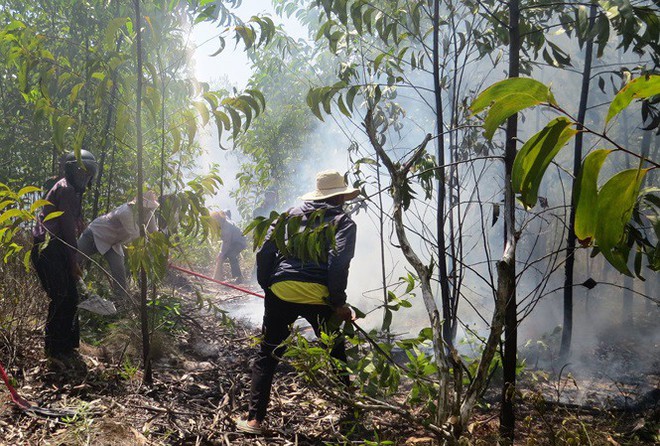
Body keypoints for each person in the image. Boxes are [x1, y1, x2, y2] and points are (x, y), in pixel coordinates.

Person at [236, 169, 358, 434]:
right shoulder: (343, 221)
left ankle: (254, 420)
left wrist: (269, 286)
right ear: (339, 198)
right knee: (335, 350)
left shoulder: (289, 215)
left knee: (267, 354)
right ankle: (350, 412)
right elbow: (338, 264)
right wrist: (339, 303)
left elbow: (266, 252)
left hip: (282, 289)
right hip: (320, 295)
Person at [31, 150, 97, 368]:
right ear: (71, 171)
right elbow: (68, 232)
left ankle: (68, 348)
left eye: (88, 173)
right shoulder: (66, 189)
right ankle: (54, 351)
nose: (84, 176)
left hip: (58, 247)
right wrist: (74, 262)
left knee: (71, 297)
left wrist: (82, 223)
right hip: (49, 248)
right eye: (80, 171)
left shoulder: (73, 191)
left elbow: (75, 219)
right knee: (61, 296)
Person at [76, 191, 160, 313]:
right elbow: (137, 237)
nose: (147, 211)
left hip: (113, 243)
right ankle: (76, 293)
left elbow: (154, 234)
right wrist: (151, 255)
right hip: (95, 234)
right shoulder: (125, 212)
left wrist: (161, 254)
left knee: (119, 271)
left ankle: (119, 305)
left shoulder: (149, 213)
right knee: (73, 259)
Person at [211, 210, 247, 283]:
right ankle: (218, 276)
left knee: (231, 255)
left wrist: (221, 253)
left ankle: (238, 277)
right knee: (221, 257)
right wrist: (221, 254)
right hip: (232, 242)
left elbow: (226, 242)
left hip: (239, 242)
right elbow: (226, 212)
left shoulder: (226, 227)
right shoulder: (223, 222)